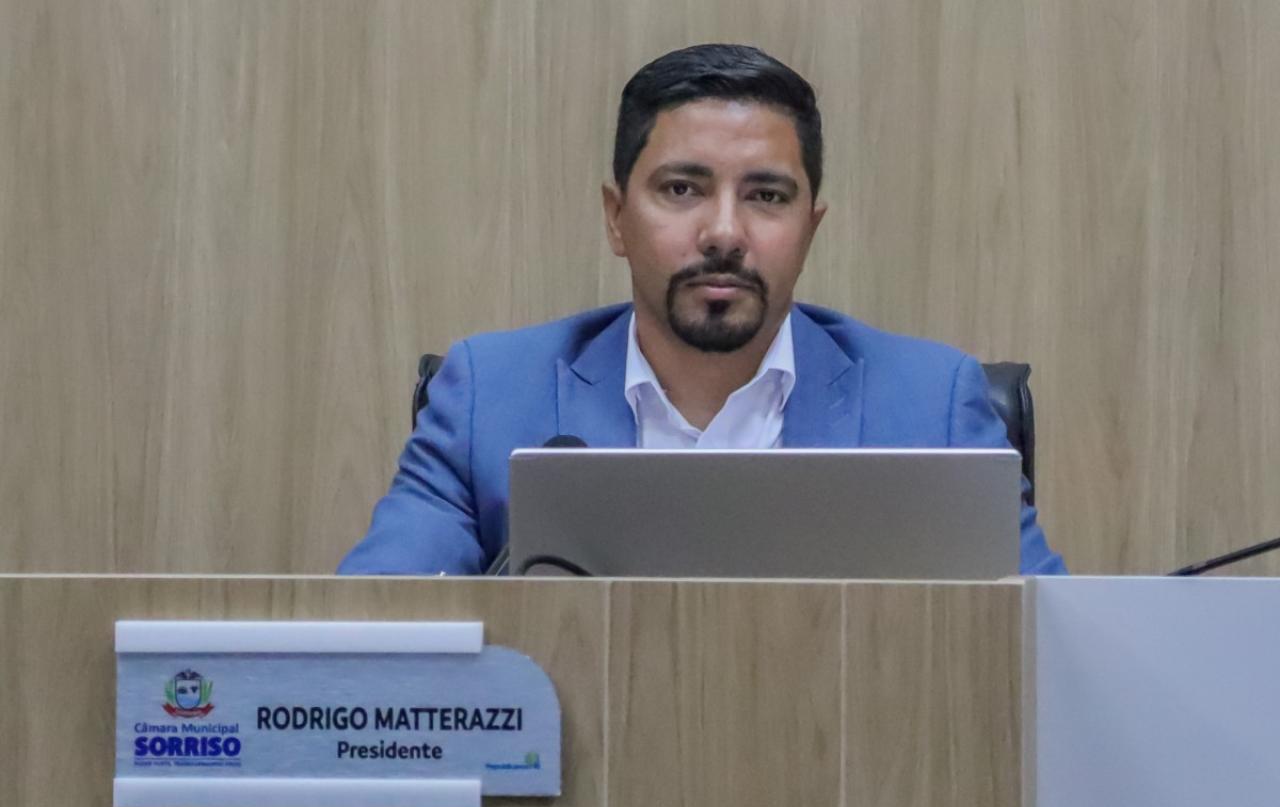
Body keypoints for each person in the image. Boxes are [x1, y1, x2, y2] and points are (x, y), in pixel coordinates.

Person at [339, 43, 1066, 576]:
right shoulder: (489, 397)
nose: (724, 232)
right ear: (617, 218)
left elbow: (1047, 642)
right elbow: (376, 628)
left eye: (766, 196)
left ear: (810, 229)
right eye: (682, 190)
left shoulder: (932, 408)